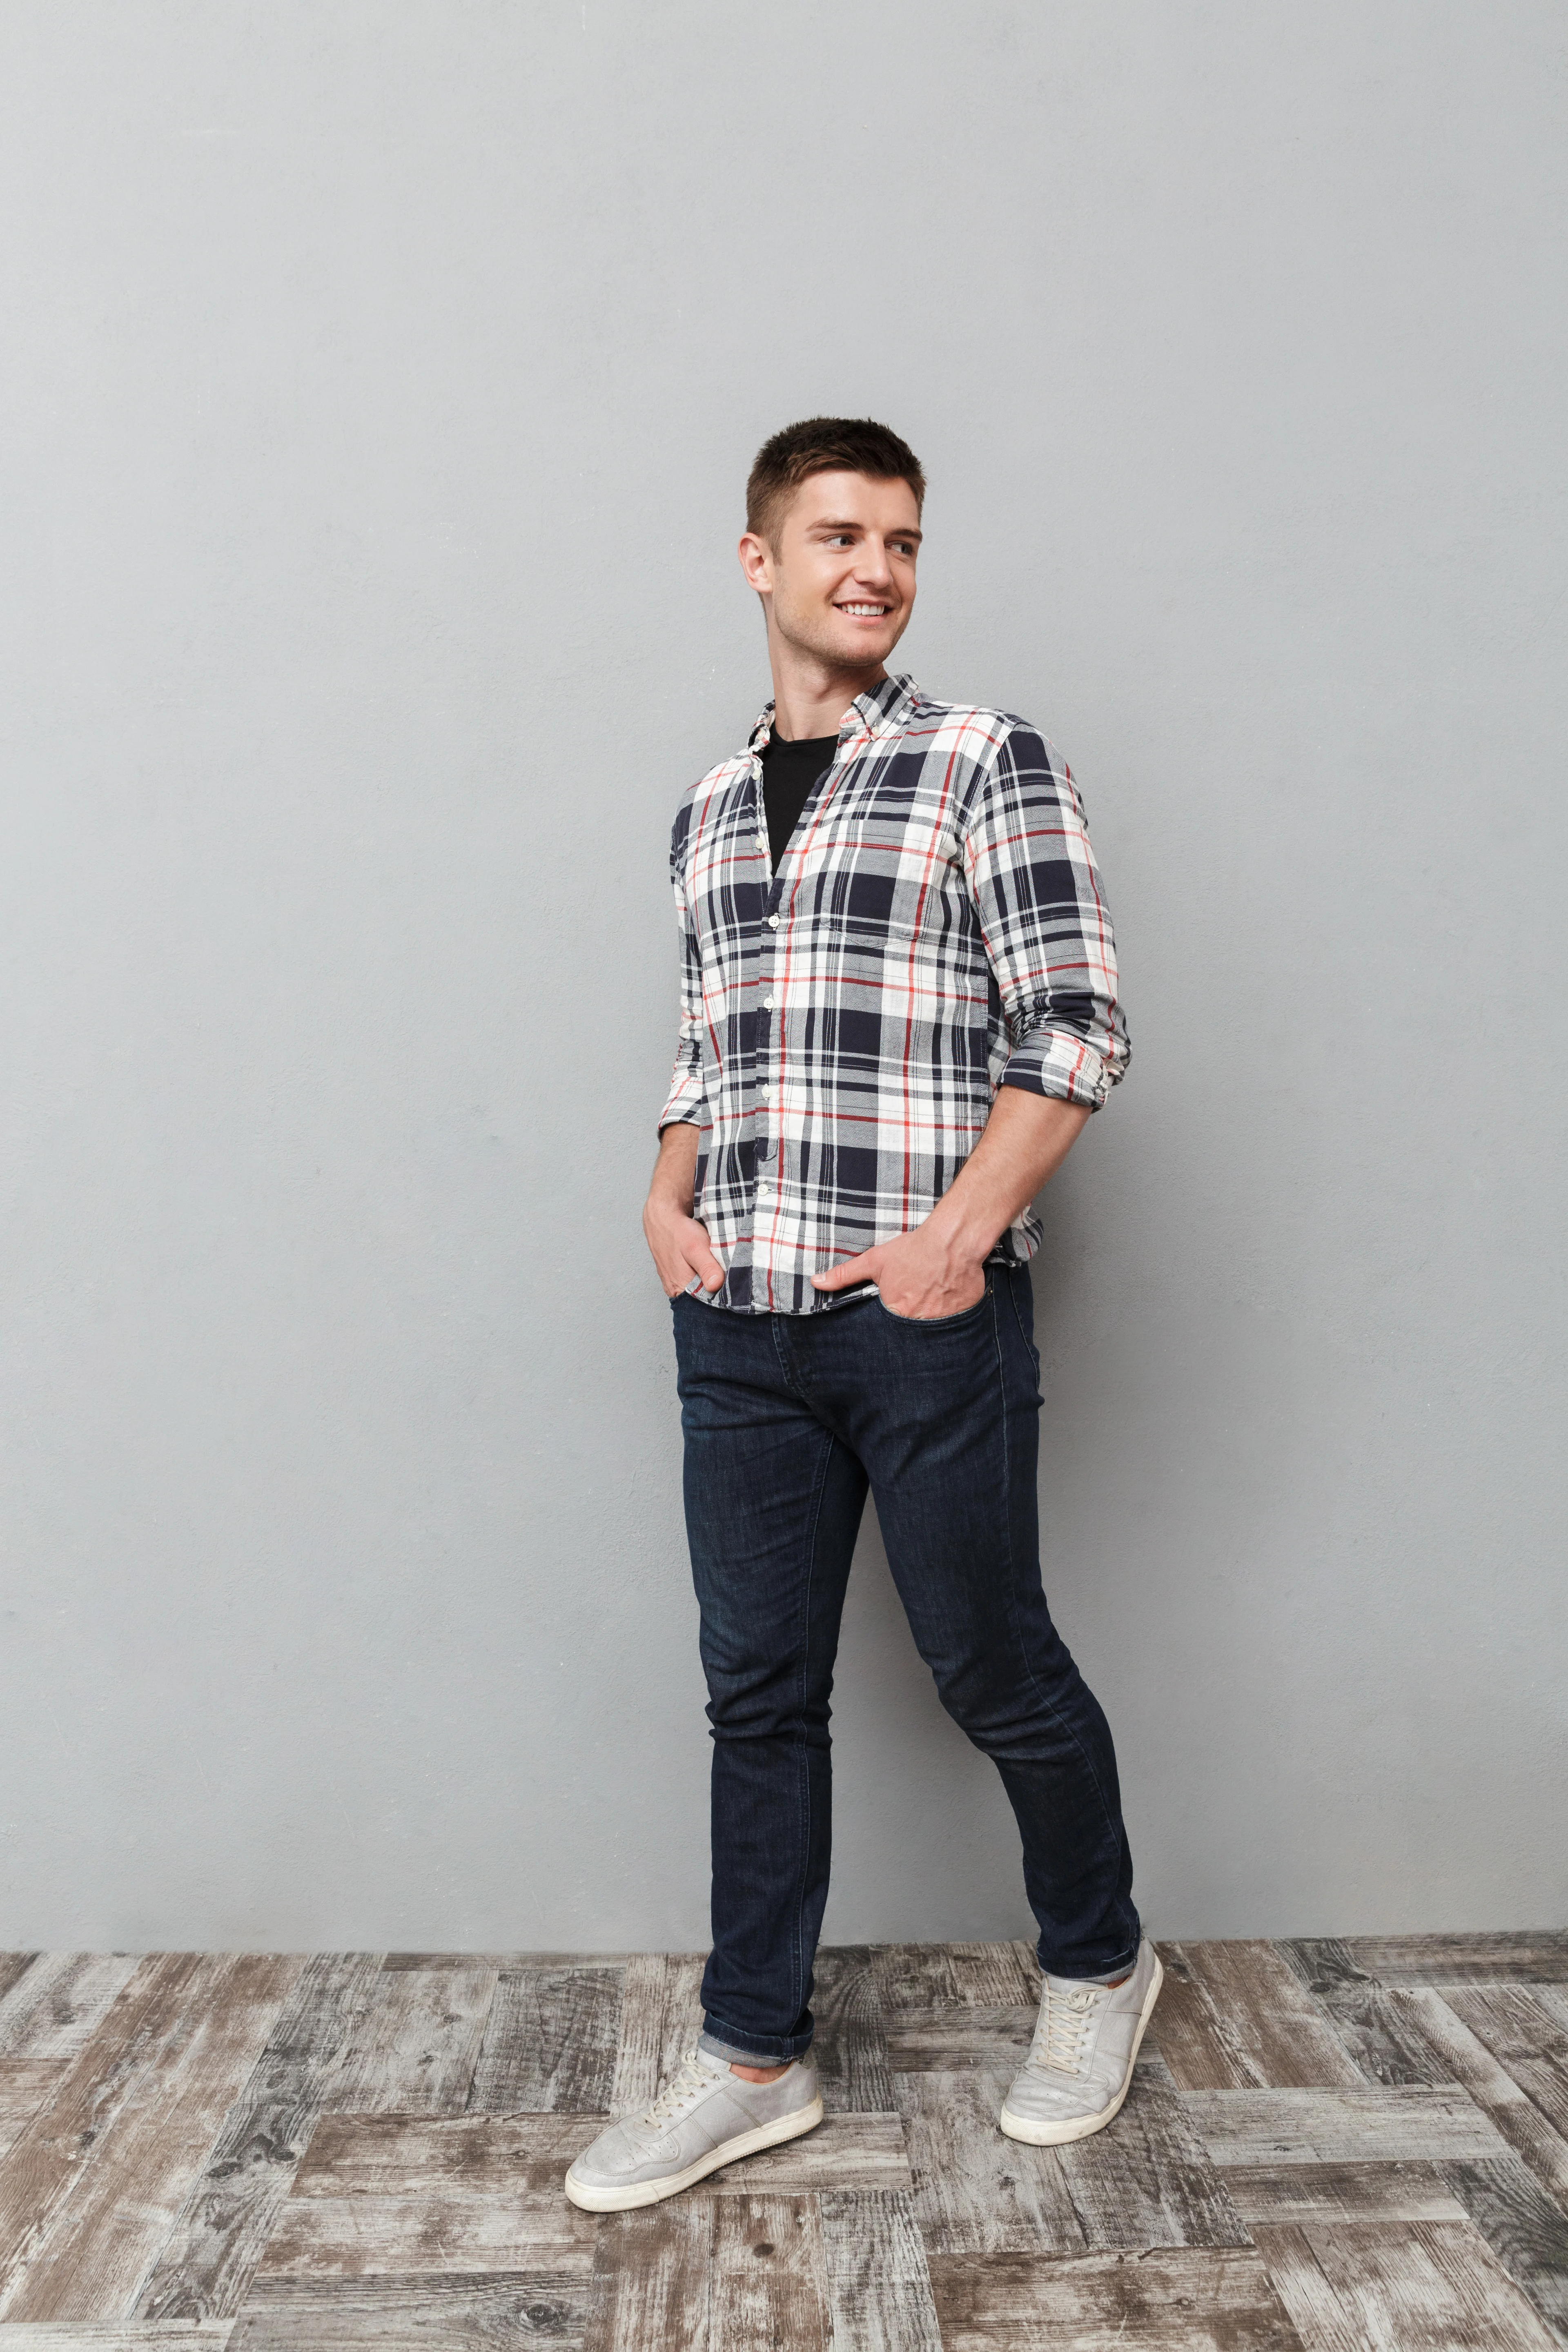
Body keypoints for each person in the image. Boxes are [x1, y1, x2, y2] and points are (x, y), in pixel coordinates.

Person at [565, 417, 1160, 2214]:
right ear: (760, 557)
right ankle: (753, 2057)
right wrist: (664, 1189)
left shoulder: (985, 761)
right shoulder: (704, 806)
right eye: (838, 534)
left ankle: (1101, 1965)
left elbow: (1075, 1026)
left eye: (901, 540)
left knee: (992, 1666)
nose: (876, 569)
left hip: (922, 1317)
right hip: (735, 1318)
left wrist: (953, 1239)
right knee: (758, 1696)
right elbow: (710, 1038)